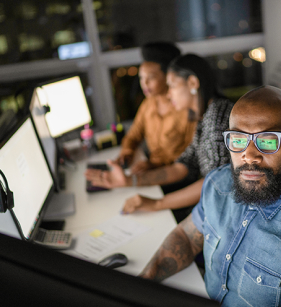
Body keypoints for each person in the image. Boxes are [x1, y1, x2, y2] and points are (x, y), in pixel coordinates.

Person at [138, 85, 281, 306]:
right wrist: (140, 284)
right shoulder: (217, 184)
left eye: (268, 141)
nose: (249, 156)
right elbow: (187, 238)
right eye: (238, 140)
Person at [85, 54, 234, 222]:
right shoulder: (203, 116)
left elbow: (214, 185)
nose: (169, 95)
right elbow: (183, 166)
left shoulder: (218, 117)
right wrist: (129, 180)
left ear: (192, 83)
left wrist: (157, 204)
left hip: (225, 214)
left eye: (172, 86)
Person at [115, 42, 197, 174]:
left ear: (168, 77)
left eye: (151, 77)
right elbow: (133, 136)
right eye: (141, 77)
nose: (144, 83)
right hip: (150, 169)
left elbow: (190, 157)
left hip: (174, 175)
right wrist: (127, 151)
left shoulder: (186, 108)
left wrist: (155, 165)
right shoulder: (148, 103)